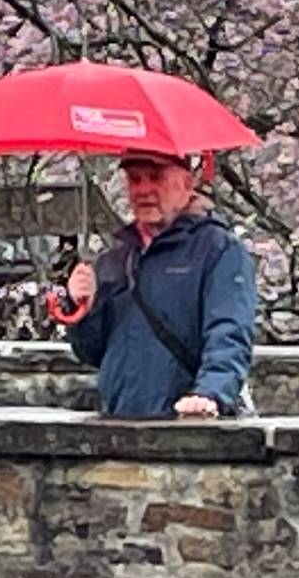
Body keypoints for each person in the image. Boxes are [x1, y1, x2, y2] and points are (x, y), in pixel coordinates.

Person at [53, 152, 258, 419]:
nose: (144, 190)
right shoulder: (116, 258)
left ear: (187, 184)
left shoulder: (218, 250)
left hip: (186, 422)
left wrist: (210, 393)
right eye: (135, 179)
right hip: (121, 419)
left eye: (156, 177)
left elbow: (229, 332)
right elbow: (91, 352)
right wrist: (84, 308)